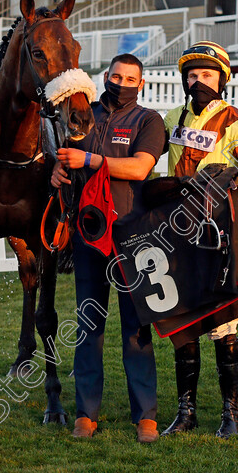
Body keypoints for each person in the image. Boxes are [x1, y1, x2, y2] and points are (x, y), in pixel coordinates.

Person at [160, 40, 238, 439]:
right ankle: (185, 413)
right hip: (179, 236)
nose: (197, 81)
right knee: (183, 324)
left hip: (219, 238)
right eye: (192, 75)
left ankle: (230, 413)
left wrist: (219, 191)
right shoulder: (172, 118)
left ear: (222, 79)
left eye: (206, 75)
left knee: (224, 327)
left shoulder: (234, 121)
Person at [52, 53, 165, 443]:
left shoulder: (149, 120)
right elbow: (67, 158)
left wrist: (91, 159)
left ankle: (146, 416)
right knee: (88, 326)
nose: (122, 83)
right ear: (105, 76)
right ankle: (86, 412)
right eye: (116, 76)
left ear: (142, 84)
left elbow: (138, 168)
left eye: (130, 78)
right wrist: (60, 166)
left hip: (134, 234)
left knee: (137, 328)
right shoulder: (84, 113)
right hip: (88, 233)